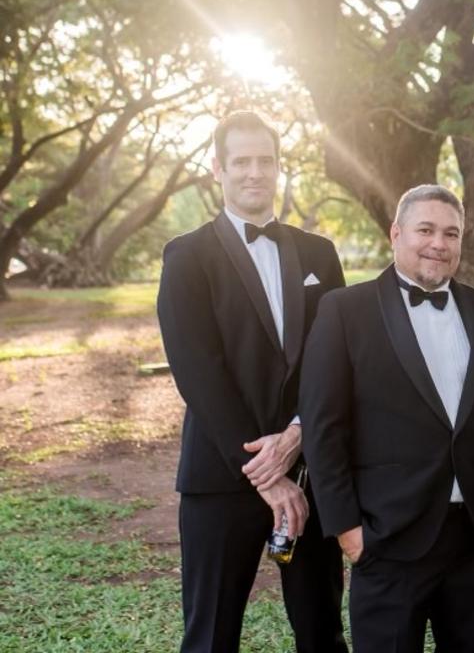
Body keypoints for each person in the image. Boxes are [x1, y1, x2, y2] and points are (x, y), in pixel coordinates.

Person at [299, 184, 474, 653]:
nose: (438, 244)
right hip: (387, 536)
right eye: (425, 230)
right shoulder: (344, 310)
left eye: (451, 233)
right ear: (396, 233)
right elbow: (324, 428)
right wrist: (348, 531)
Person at [157, 110, 347, 653]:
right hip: (220, 477)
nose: (255, 172)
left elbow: (332, 358)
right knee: (211, 635)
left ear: (279, 167)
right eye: (241, 161)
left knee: (322, 631)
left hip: (309, 469)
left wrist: (297, 436)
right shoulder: (186, 256)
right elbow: (198, 371)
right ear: (217, 168)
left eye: (266, 160)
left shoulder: (319, 253)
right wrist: (266, 473)